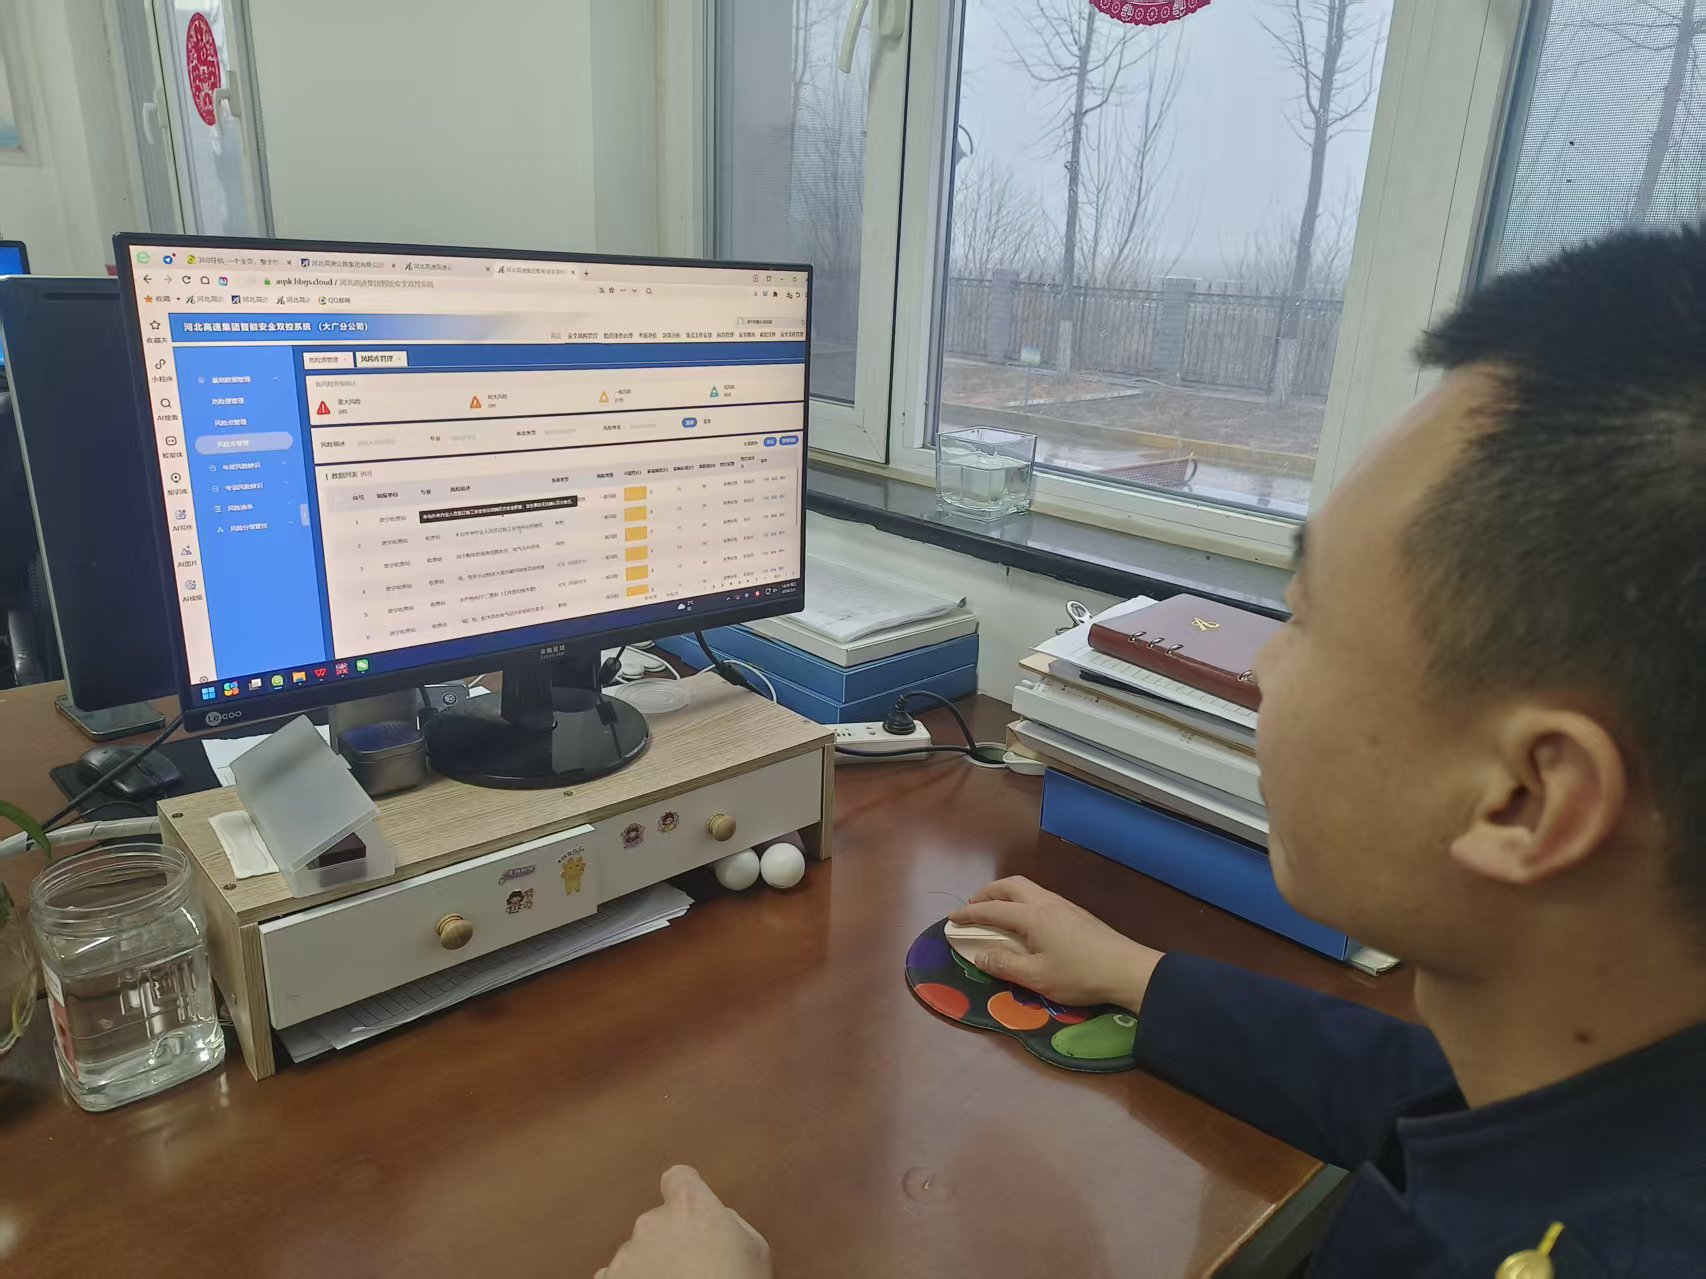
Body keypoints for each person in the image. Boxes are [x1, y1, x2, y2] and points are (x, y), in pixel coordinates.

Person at [596, 226, 1706, 1278]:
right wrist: (1142, 977)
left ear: (1526, 799)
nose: (1265, 669)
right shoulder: (1604, 1091)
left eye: (1306, 618)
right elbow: (1421, 1093)